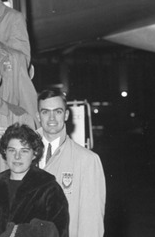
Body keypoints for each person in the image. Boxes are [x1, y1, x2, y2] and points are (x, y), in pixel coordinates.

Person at [0, 123, 69, 237]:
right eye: (12, 150)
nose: (17, 157)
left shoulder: (50, 189)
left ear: (35, 154)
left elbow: (58, 232)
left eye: (24, 151)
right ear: (4, 152)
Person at [37, 90, 106, 237]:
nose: (52, 118)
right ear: (38, 116)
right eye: (45, 112)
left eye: (58, 111)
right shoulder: (23, 156)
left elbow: (92, 223)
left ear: (66, 115)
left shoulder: (87, 160)